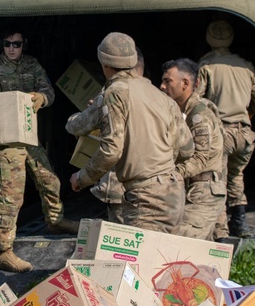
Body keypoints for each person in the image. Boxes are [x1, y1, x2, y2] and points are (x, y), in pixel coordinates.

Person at [70, 33, 193, 233]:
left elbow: (111, 150)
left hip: (145, 199)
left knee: (140, 262)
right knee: (163, 259)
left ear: (104, 64)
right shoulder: (161, 96)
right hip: (173, 192)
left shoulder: (116, 93)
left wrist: (82, 177)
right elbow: (187, 148)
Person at [0, 30, 78, 273]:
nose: (12, 48)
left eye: (17, 44)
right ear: (2, 45)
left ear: (24, 45)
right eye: (7, 44)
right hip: (6, 142)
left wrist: (41, 98)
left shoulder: (32, 65)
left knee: (50, 180)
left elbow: (50, 92)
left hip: (27, 137)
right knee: (10, 196)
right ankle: (3, 251)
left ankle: (55, 221)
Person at [196, 20, 255, 238]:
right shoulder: (246, 67)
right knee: (236, 177)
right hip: (244, 134)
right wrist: (248, 115)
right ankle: (240, 224)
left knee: (216, 181)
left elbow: (196, 100)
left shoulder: (206, 66)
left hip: (221, 133)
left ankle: (221, 232)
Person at [65, 48, 144, 223]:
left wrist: (81, 178)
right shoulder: (159, 98)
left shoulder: (110, 95)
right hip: (153, 187)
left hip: (120, 184)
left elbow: (76, 126)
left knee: (122, 241)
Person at [160, 58, 226, 241]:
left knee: (182, 243)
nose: (162, 86)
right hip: (194, 189)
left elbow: (200, 158)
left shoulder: (198, 115)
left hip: (203, 191)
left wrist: (169, 175)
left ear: (185, 84)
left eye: (168, 81)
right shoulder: (184, 112)